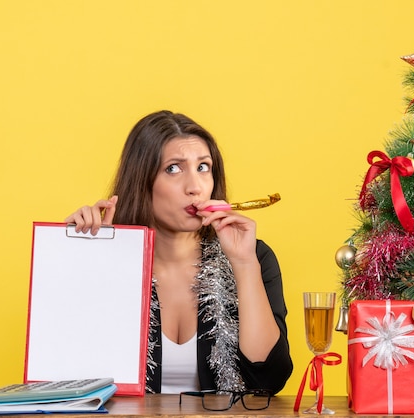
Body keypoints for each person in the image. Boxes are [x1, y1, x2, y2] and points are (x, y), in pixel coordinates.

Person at [65, 110, 293, 394]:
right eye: (173, 168)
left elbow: (269, 380)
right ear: (142, 181)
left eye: (203, 167)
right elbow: (74, 373)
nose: (195, 187)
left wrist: (244, 263)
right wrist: (83, 255)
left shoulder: (254, 256)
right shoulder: (115, 257)